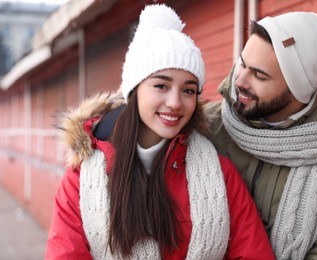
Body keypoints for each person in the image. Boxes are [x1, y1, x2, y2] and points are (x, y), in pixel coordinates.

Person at [45, 4, 275, 259]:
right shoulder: (83, 179)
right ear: (134, 90)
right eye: (161, 86)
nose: (175, 102)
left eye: (188, 90)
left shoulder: (221, 175)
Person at [205, 12, 317, 259]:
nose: (239, 80)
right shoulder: (206, 126)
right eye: (242, 63)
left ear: (299, 88)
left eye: (259, 75)